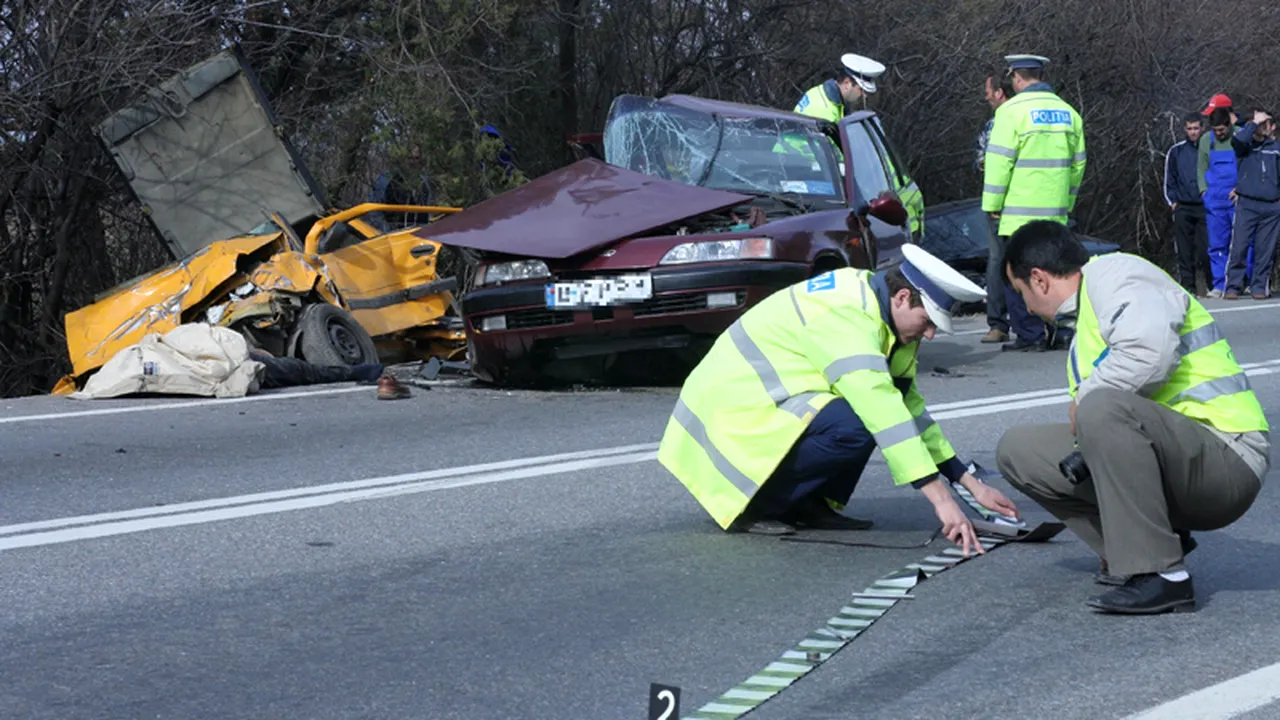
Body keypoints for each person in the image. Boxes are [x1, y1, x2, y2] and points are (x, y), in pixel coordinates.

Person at [657, 244, 1020, 557]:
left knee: (864, 417)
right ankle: (756, 505)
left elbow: (908, 410)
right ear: (902, 297)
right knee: (860, 422)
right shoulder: (849, 316)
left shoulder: (884, 318)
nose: (929, 333)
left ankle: (806, 503)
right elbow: (883, 412)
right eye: (927, 321)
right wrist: (943, 503)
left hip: (762, 406)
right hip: (731, 417)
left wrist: (969, 483)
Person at [995, 220, 1269, 614]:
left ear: (1038, 279)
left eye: (1020, 292)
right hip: (1177, 459)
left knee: (1101, 407)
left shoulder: (1116, 274)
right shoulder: (1086, 320)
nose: (1024, 306)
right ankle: (1135, 548)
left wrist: (1087, 400)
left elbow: (1149, 354)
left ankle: (1161, 573)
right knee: (1018, 450)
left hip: (1228, 457)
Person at [981, 54, 1086, 352]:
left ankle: (1030, 335)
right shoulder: (1068, 112)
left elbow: (999, 162)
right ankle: (1062, 331)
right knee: (1055, 271)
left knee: (1017, 273)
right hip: (1055, 213)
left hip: (1017, 213)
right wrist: (1067, 202)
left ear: (1016, 78)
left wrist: (992, 203)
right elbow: (1078, 166)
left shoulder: (1011, 112)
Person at [792, 53, 925, 238]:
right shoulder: (825, 113)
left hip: (801, 167)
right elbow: (833, 158)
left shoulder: (824, 95)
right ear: (847, 83)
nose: (864, 95)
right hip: (804, 170)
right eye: (861, 89)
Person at [976, 69, 1018, 344]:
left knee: (998, 262)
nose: (986, 97)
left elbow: (985, 163)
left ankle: (998, 323)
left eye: (988, 92)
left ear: (1000, 93)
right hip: (1032, 201)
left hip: (1002, 204)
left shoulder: (999, 124)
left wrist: (994, 203)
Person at [1224, 109, 1280, 299]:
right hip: (1247, 204)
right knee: (1239, 246)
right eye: (1260, 123)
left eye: (1266, 123)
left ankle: (1258, 286)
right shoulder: (1243, 146)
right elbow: (1238, 141)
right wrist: (1254, 123)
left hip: (1271, 206)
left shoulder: (1275, 148)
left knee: (1265, 250)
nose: (1263, 127)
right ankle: (1233, 285)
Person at [1197, 97, 1251, 296]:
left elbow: (1248, 166)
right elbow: (1201, 168)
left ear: (1229, 124)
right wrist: (1204, 191)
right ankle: (1220, 284)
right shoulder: (1206, 140)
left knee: (1243, 242)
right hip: (1214, 200)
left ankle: (1245, 282)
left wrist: (1241, 188)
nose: (1219, 133)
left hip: (1237, 198)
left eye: (1222, 130)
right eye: (1215, 130)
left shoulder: (1241, 136)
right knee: (1217, 244)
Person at [1164, 112, 1211, 296]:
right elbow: (1169, 179)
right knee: (1184, 250)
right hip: (1183, 206)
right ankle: (1188, 288)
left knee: (1207, 248)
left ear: (1202, 128)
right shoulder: (1176, 151)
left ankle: (1212, 286)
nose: (1193, 132)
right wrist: (1173, 202)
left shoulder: (1209, 148)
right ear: (1185, 129)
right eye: (1190, 129)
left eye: (1196, 128)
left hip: (1205, 206)